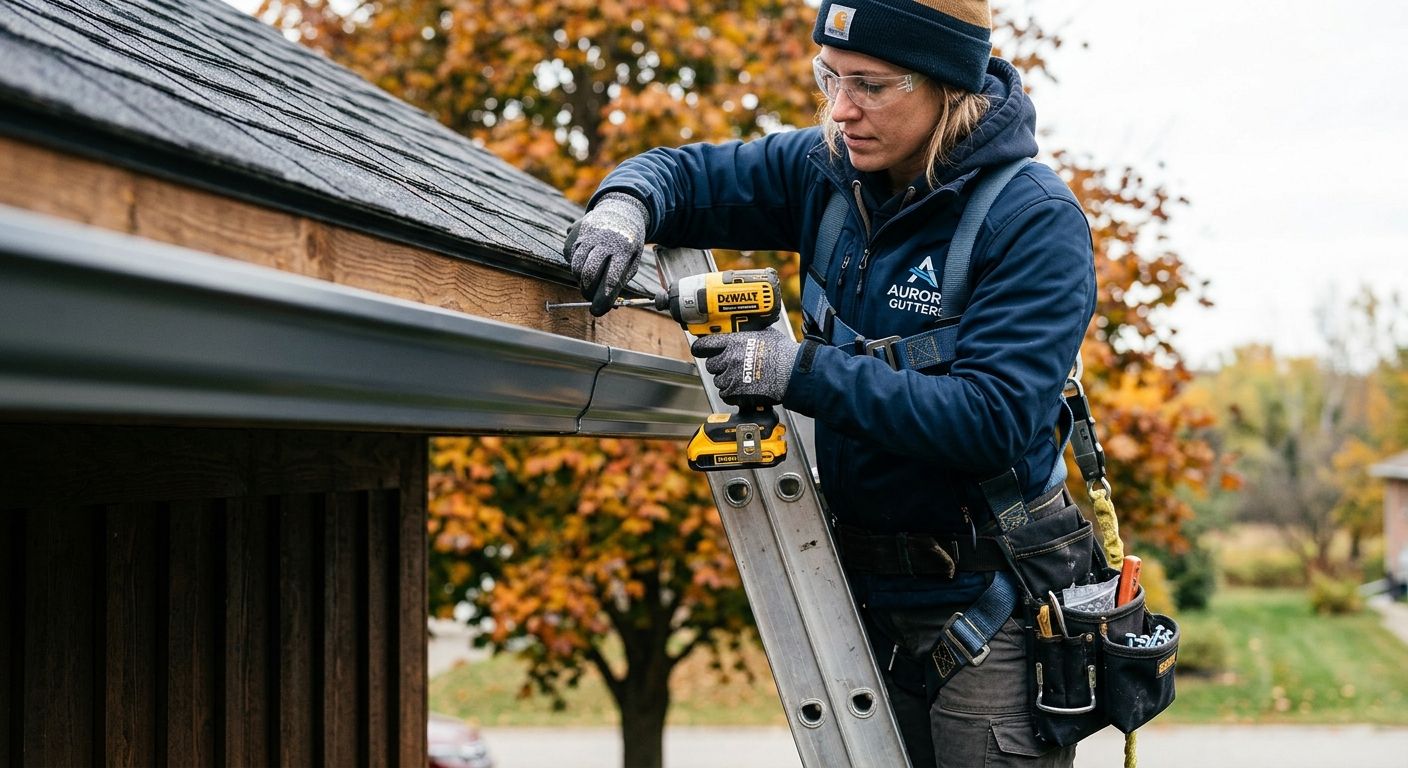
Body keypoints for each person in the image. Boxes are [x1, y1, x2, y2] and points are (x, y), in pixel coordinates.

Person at [565, 1, 1095, 765]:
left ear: (947, 85)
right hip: (861, 596)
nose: (842, 110)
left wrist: (798, 371)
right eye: (831, 79)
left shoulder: (1032, 220)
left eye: (872, 86)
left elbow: (993, 418)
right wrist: (624, 206)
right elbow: (681, 172)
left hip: (989, 606)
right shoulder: (827, 174)